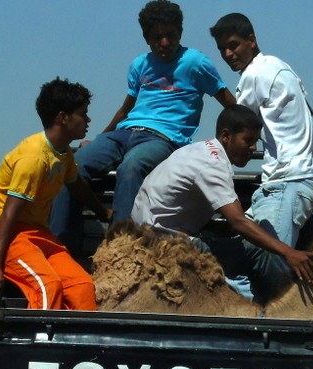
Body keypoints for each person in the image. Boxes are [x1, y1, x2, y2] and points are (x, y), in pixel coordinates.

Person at [49, 0, 236, 253]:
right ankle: (59, 248)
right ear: (147, 38)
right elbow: (126, 109)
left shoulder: (195, 62)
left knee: (132, 167)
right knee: (73, 164)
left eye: (170, 35)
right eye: (157, 37)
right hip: (126, 131)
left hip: (163, 138)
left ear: (180, 32)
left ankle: (120, 250)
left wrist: (236, 137)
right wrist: (100, 138)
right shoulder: (140, 65)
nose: (165, 43)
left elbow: (229, 104)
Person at [131, 105, 313, 305]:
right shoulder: (213, 165)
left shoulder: (197, 151)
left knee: (234, 242)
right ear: (226, 136)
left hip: (149, 234)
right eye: (248, 140)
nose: (253, 148)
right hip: (168, 244)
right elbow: (238, 221)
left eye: (256, 141)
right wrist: (289, 252)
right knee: (262, 252)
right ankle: (285, 311)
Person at [209, 13, 313, 297]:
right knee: (249, 259)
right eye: (223, 49)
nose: (228, 54)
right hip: (295, 179)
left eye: (234, 45)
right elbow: (307, 112)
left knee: (263, 271)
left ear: (252, 40)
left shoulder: (255, 74)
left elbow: (235, 130)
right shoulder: (281, 68)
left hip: (287, 182)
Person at [0, 78, 111, 311]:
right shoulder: (34, 159)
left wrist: (105, 212)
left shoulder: (63, 153)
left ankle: (79, 345)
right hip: (2, 232)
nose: (88, 120)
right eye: (83, 114)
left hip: (36, 233)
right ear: (63, 117)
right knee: (47, 286)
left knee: (82, 286)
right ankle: (43, 344)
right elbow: (9, 213)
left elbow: (77, 186)